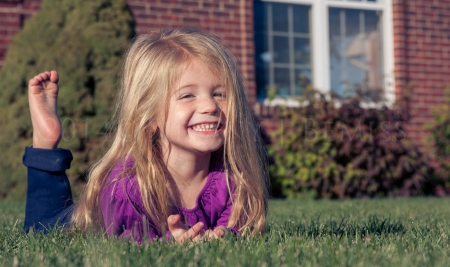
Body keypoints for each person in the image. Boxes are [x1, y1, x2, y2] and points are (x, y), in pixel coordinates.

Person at [23, 28, 269, 243]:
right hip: (79, 226)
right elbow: (128, 245)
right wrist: (170, 244)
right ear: (149, 117)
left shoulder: (232, 179)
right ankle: (45, 144)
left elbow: (239, 230)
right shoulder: (126, 187)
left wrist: (223, 237)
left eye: (219, 94)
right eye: (187, 95)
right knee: (47, 227)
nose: (210, 106)